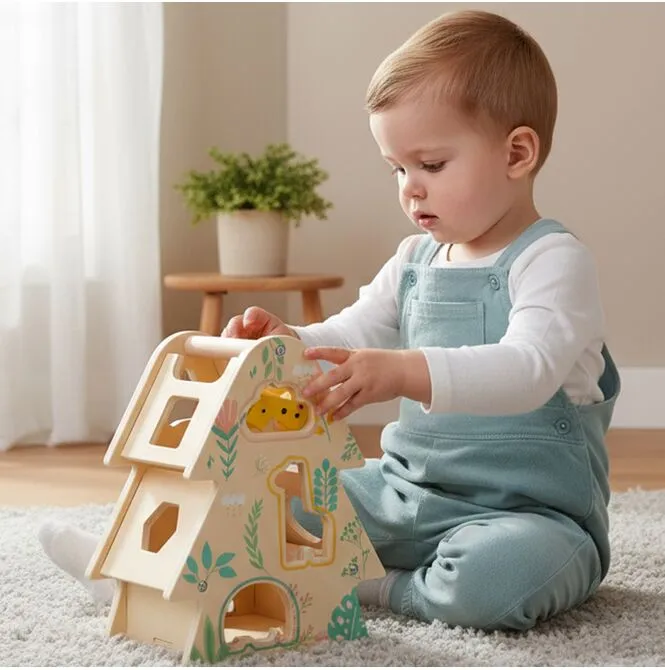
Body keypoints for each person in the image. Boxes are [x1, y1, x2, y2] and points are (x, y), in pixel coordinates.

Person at [39, 9, 619, 632]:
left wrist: (401, 372)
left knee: (496, 580)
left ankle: (374, 586)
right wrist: (291, 342)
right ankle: (135, 570)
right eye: (398, 169)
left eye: (431, 165)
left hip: (529, 516)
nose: (411, 188)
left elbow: (528, 369)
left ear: (517, 153)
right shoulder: (415, 259)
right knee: (266, 506)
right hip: (402, 492)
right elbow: (352, 334)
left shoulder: (552, 260)